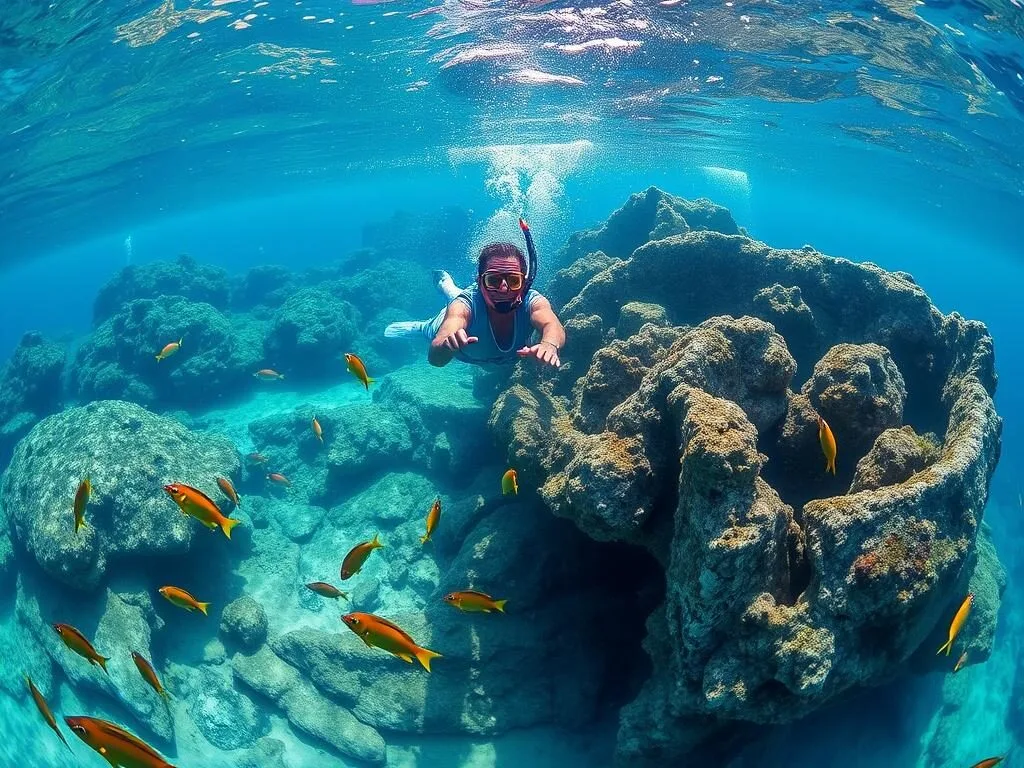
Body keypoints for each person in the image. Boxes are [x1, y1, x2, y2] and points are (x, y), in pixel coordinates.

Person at [385, 219, 565, 369]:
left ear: (524, 282)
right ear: (479, 282)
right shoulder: (463, 306)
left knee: (459, 296)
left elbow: (552, 324)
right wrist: (446, 346)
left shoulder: (533, 301)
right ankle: (440, 297)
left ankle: (449, 287)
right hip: (452, 316)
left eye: (513, 281)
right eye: (493, 281)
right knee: (442, 315)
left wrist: (549, 344)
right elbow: (435, 359)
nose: (504, 289)